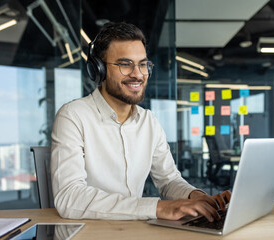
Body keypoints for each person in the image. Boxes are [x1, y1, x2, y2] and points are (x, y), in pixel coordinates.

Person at [51, 22, 230, 221]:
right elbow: (69, 198)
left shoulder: (148, 121)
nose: (137, 74)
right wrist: (159, 208)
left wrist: (197, 197)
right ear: (99, 69)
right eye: (125, 64)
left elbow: (169, 180)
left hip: (133, 231)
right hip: (90, 232)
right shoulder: (74, 116)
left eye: (143, 64)